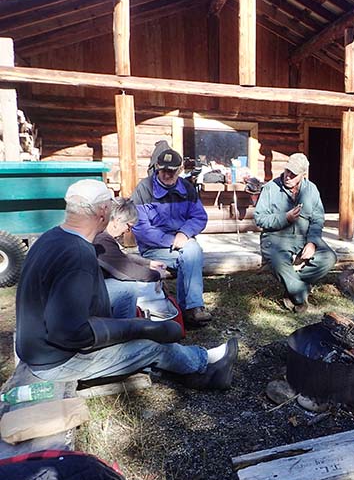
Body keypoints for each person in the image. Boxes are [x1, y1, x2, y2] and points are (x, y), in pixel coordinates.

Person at [15, 179, 237, 390]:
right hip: (57, 361)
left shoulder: (50, 238)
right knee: (151, 347)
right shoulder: (78, 255)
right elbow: (70, 334)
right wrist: (137, 328)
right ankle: (203, 364)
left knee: (124, 294)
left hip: (38, 348)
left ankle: (179, 364)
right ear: (102, 211)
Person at [132, 143, 212, 328]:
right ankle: (192, 309)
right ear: (157, 168)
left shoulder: (187, 188)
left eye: (172, 171)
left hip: (182, 245)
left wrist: (184, 233)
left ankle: (188, 311)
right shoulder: (144, 189)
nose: (167, 175)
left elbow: (199, 216)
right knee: (192, 252)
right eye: (163, 171)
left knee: (190, 252)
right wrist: (172, 240)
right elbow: (141, 228)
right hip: (153, 250)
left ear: (180, 170)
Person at [254, 153, 337, 313]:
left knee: (329, 258)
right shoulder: (271, 188)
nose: (288, 176)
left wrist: (312, 242)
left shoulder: (311, 189)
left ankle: (291, 288)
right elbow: (259, 219)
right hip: (275, 238)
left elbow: (318, 219)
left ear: (303, 175)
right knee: (279, 263)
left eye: (294, 174)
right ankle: (300, 294)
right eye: (287, 171)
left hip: (303, 237)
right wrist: (284, 217)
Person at [94, 197, 169, 319]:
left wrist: (149, 263)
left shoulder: (101, 235)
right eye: (128, 226)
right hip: (86, 295)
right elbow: (126, 271)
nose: (128, 231)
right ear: (117, 220)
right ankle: (125, 332)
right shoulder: (102, 239)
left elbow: (120, 258)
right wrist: (157, 274)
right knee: (128, 290)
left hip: (88, 289)